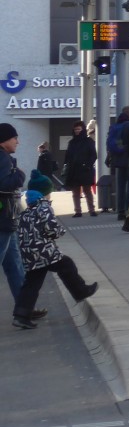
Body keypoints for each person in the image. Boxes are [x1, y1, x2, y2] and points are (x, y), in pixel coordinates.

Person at [12, 170, 99, 329]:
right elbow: (50, 228)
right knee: (66, 265)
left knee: (31, 283)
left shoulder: (27, 211)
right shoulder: (44, 207)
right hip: (44, 251)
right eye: (49, 193)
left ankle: (21, 315)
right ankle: (80, 291)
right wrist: (59, 232)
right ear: (46, 194)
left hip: (29, 253)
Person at [0, 123, 35, 316]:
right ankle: (24, 309)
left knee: (14, 265)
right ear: (4, 140)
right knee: (13, 265)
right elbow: (4, 185)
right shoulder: (3, 158)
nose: (18, 142)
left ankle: (25, 308)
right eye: (14, 138)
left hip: (7, 219)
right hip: (3, 219)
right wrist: (20, 174)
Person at [63, 120, 98, 217]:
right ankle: (78, 211)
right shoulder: (71, 142)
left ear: (82, 129)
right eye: (75, 129)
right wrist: (67, 165)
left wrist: (88, 165)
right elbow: (67, 156)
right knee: (75, 192)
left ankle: (91, 210)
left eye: (78, 129)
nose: (77, 131)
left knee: (87, 191)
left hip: (85, 169)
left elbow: (93, 155)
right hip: (74, 170)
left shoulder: (89, 141)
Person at [106, 105, 129, 220]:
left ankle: (120, 211)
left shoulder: (114, 126)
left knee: (121, 186)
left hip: (117, 160)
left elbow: (109, 143)